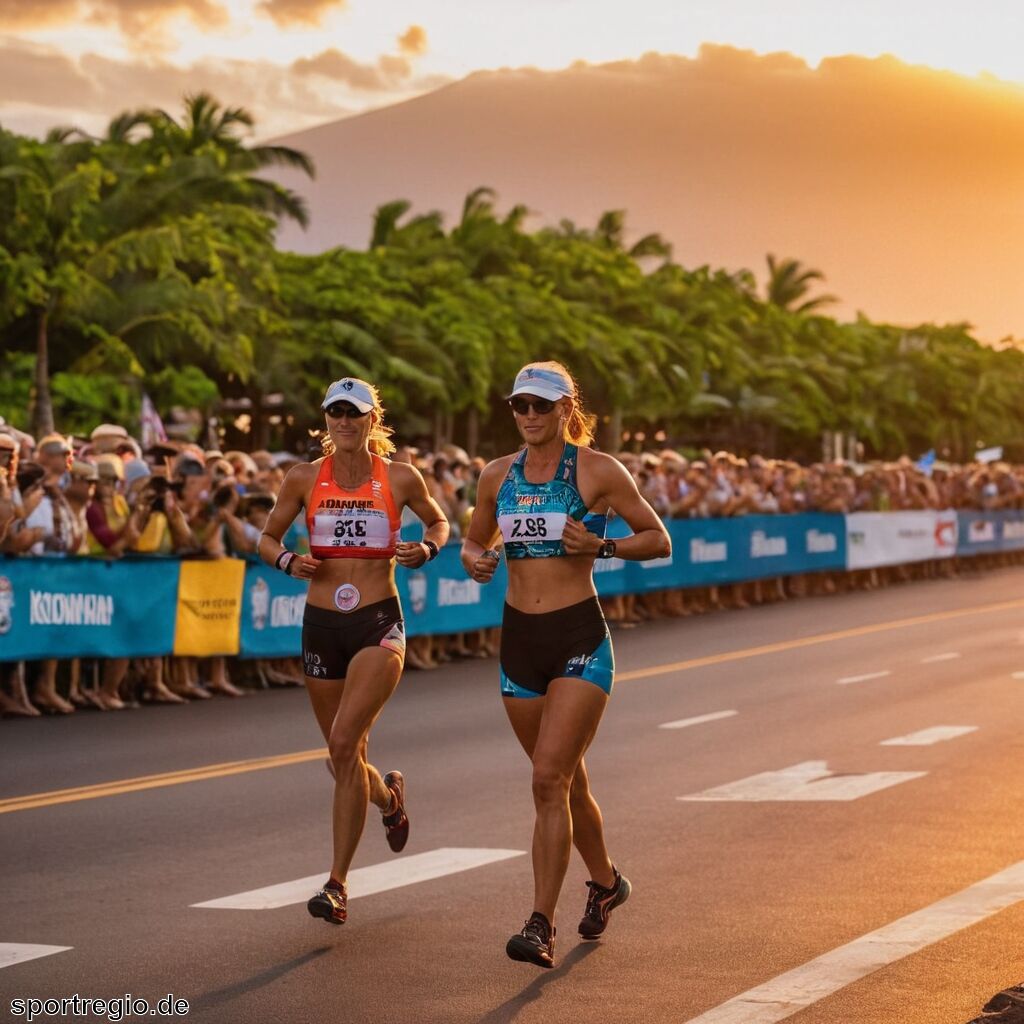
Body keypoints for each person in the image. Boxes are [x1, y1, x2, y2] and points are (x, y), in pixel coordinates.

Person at [461, 361, 671, 968]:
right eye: (520, 406)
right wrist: (475, 560)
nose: (529, 416)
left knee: (547, 779)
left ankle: (539, 925)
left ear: (565, 411)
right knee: (568, 781)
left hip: (579, 635)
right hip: (519, 641)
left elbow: (658, 540)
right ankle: (606, 883)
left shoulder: (599, 470)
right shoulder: (496, 475)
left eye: (541, 406)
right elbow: (475, 541)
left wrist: (601, 546)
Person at [258, 377, 449, 926]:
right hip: (320, 623)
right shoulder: (302, 478)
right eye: (335, 413)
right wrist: (288, 563)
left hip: (377, 622)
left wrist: (428, 547)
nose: (344, 421)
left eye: (354, 413)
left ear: (372, 420)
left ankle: (336, 884)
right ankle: (390, 798)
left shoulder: (399, 476)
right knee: (342, 757)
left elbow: (437, 518)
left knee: (344, 742)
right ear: (326, 420)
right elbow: (267, 538)